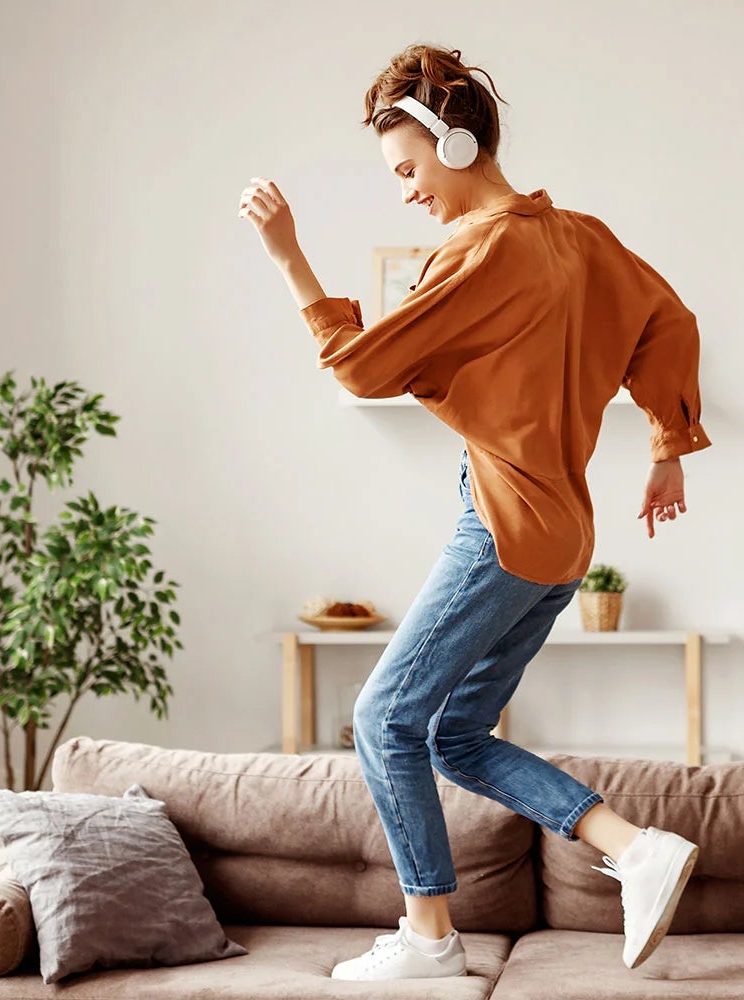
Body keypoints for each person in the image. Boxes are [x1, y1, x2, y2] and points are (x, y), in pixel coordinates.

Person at [238, 43, 712, 982]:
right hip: (564, 535)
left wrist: (289, 257)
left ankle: (429, 938)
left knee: (381, 719)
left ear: (455, 144)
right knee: (452, 735)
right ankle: (635, 848)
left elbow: (364, 366)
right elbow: (670, 320)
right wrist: (665, 447)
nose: (407, 192)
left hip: (503, 522)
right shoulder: (577, 235)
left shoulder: (479, 247)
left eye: (407, 169)